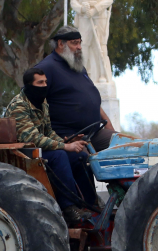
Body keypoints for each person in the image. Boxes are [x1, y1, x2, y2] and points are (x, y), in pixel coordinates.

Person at [6, 67, 99, 225]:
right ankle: (69, 208)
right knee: (59, 155)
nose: (44, 86)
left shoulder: (43, 103)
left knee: (80, 156)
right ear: (29, 85)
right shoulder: (19, 106)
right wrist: (64, 147)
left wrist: (67, 142)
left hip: (38, 148)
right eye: (40, 83)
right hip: (23, 151)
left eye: (46, 82)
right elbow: (33, 138)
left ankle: (91, 204)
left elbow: (48, 132)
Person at [34, 24, 116, 151]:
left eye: (80, 43)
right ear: (61, 44)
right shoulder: (47, 68)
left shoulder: (78, 67)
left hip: (95, 133)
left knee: (127, 146)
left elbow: (90, 99)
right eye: (74, 43)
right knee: (83, 159)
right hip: (69, 137)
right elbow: (30, 103)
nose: (79, 47)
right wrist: (58, 139)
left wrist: (108, 123)